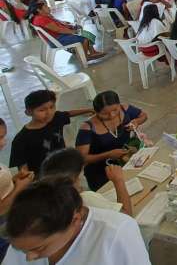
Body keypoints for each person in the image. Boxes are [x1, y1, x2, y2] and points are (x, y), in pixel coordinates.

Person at [2, 176, 150, 265]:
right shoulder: (25, 240)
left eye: (39, 248)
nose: (29, 258)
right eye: (21, 250)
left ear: (75, 220)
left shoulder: (117, 231)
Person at [74, 91, 147, 192]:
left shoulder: (124, 109)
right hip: (101, 172)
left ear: (119, 105)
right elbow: (81, 159)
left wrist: (136, 122)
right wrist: (108, 155)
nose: (112, 115)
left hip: (126, 161)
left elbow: (143, 115)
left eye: (115, 110)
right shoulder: (87, 129)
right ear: (96, 112)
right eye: (104, 114)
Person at [9, 90, 94, 174]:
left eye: (52, 107)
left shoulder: (56, 118)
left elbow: (68, 113)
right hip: (44, 176)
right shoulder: (21, 139)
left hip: (65, 166)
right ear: (28, 112)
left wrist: (88, 110)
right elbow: (23, 168)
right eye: (42, 110)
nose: (49, 113)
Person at [41, 147, 132, 216]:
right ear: (73, 179)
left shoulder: (52, 208)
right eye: (79, 175)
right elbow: (127, 216)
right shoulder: (85, 200)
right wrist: (118, 180)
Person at [26, 0, 105, 60]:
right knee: (84, 38)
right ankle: (85, 56)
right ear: (39, 10)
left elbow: (57, 26)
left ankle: (92, 52)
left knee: (84, 32)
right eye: (46, 7)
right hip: (58, 39)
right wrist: (73, 32)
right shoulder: (41, 19)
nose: (48, 7)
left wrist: (69, 27)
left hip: (58, 37)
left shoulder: (40, 17)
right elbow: (58, 30)